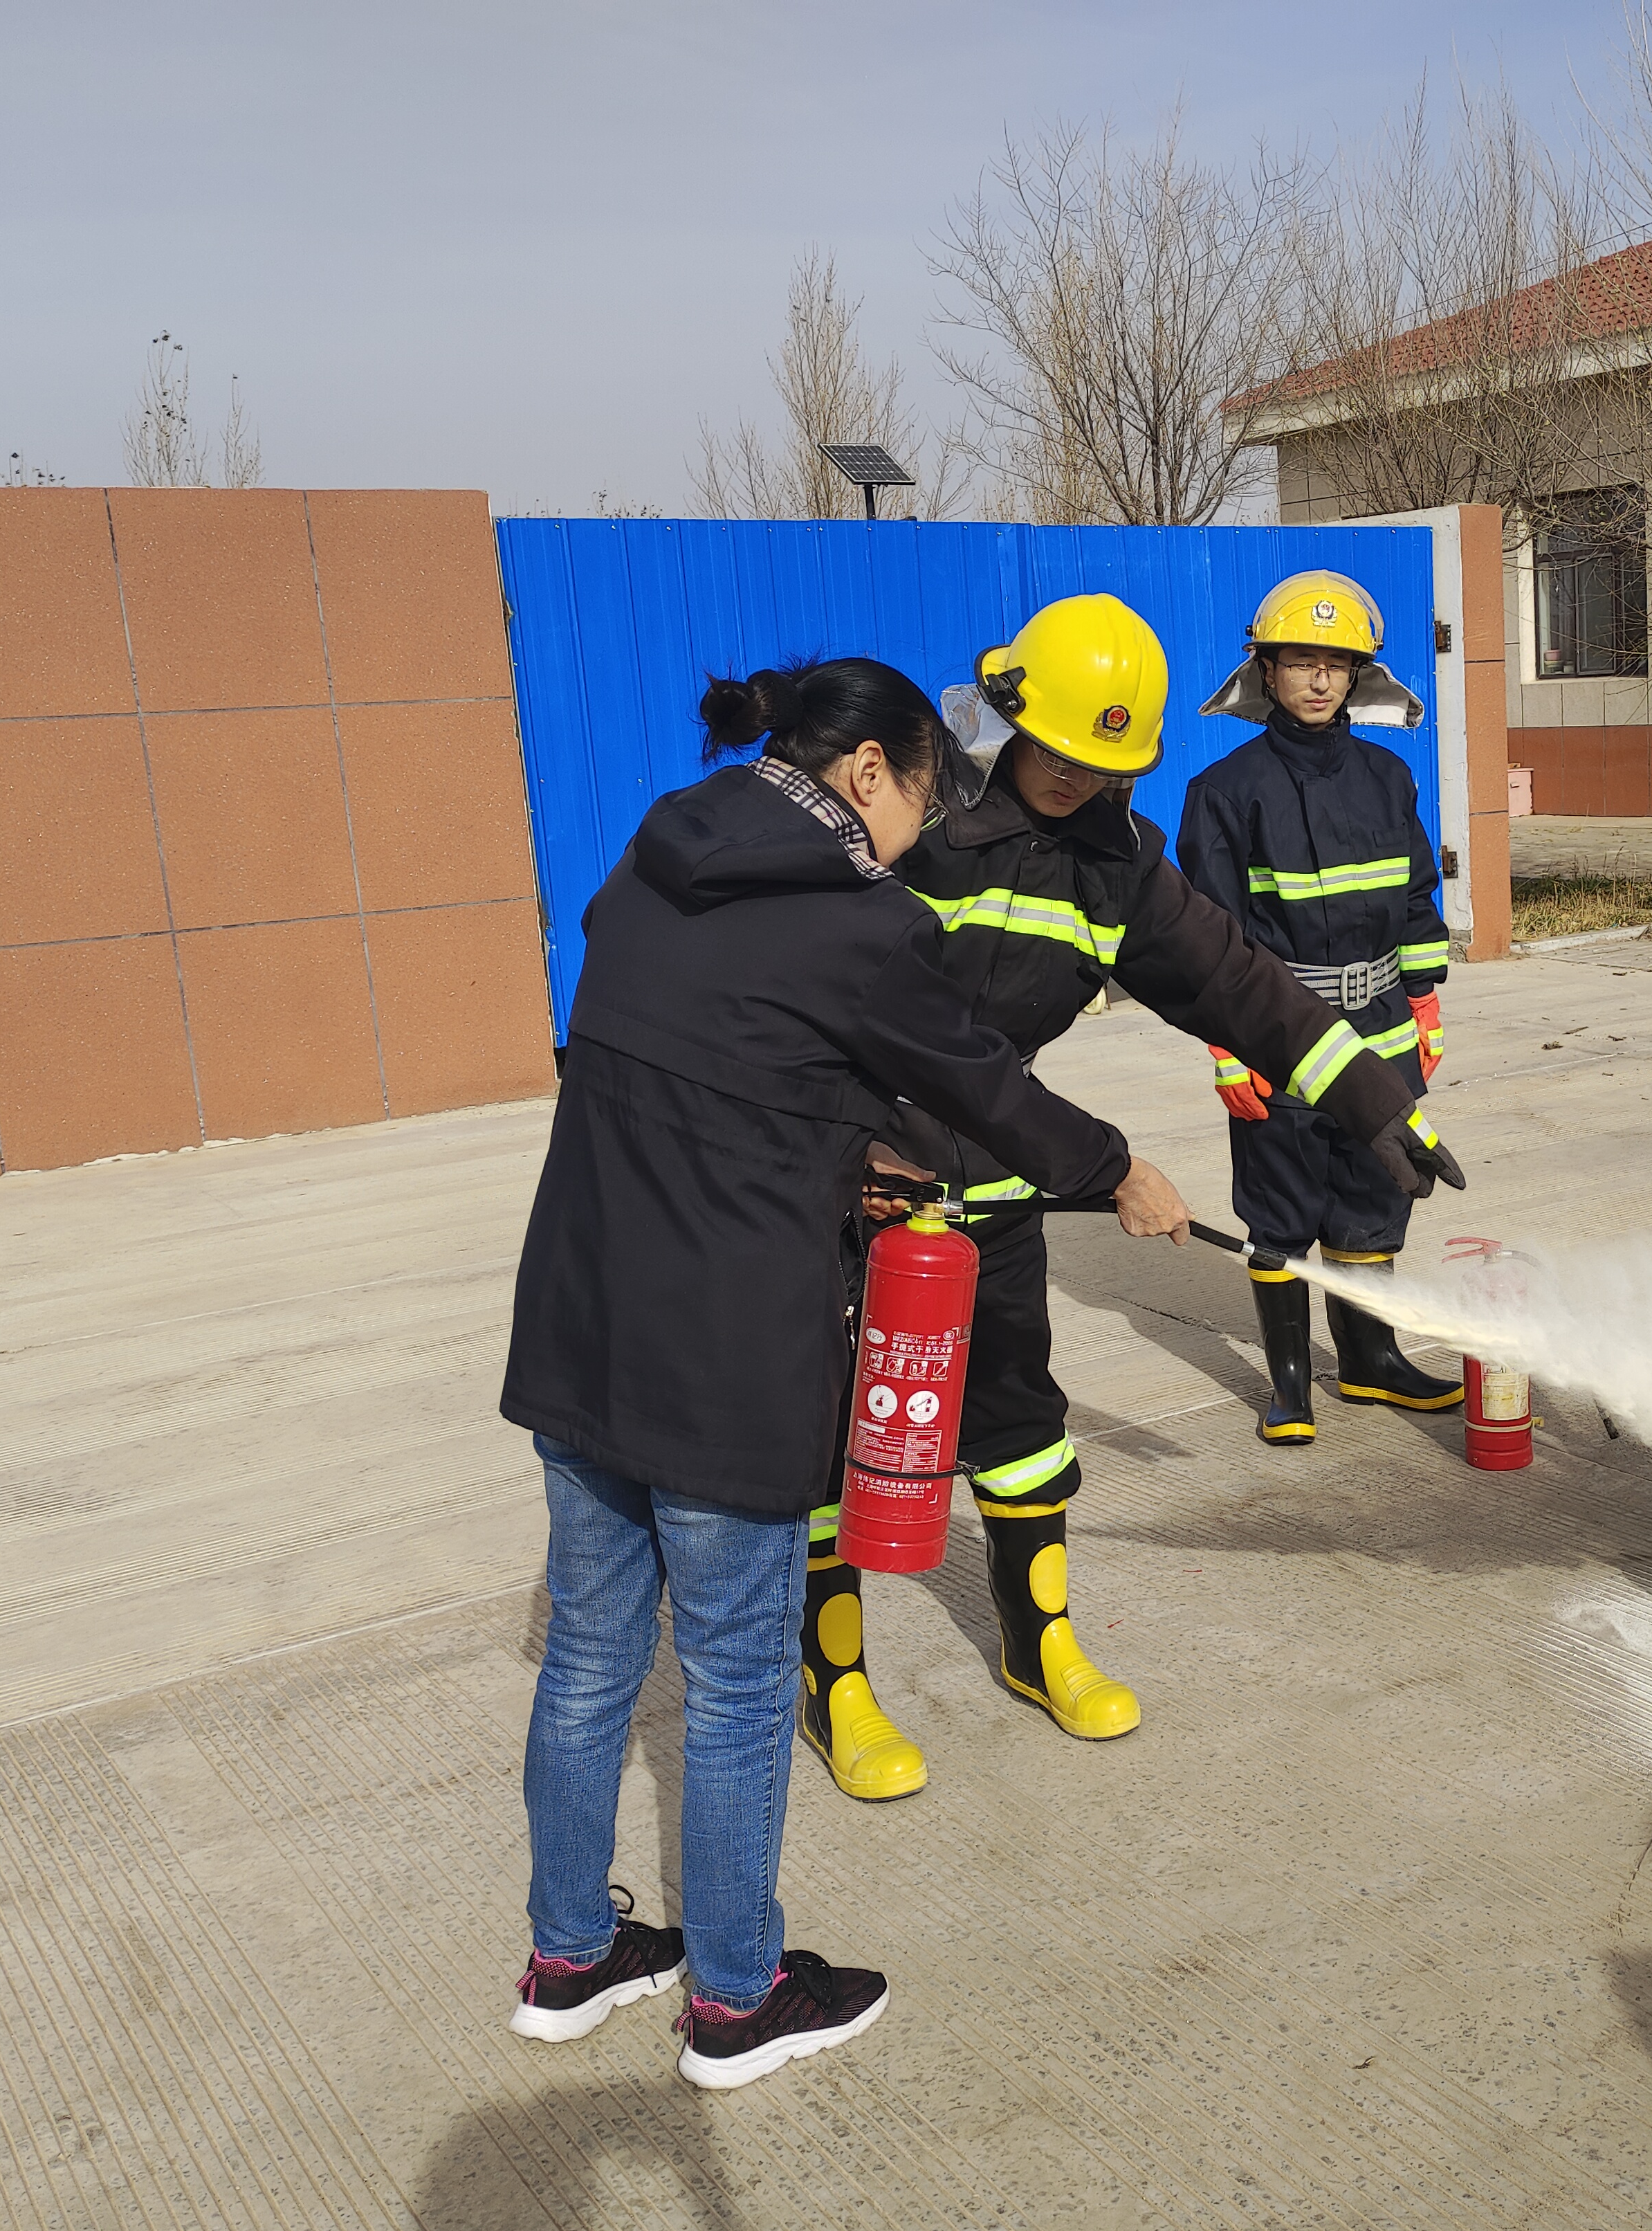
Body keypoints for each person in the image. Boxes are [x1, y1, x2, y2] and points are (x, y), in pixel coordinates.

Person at [497, 656, 1193, 2088]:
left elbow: (714, 1063)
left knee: (586, 1665)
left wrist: (836, 1147)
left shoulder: (651, 858)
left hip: (580, 1323)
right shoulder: (855, 921)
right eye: (918, 805)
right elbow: (979, 1087)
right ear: (869, 771)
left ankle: (569, 1960)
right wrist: (1118, 1169)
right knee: (742, 1684)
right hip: (723, 1363)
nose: (914, 841)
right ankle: (738, 1999)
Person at [793, 592, 1462, 1804]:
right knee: (837, 1437)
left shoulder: (1120, 865)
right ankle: (830, 1675)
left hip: (993, 1190)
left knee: (1016, 1424)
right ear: (1010, 719)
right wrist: (868, 1153)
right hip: (848, 1192)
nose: (1078, 783)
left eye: (1108, 765)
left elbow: (1241, 987)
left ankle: (1033, 1635)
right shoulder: (917, 831)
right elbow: (817, 1008)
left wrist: (1375, 1104)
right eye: (1061, 755)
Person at [1177, 570, 1462, 1444]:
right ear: (1265, 671)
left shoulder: (1388, 776)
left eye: (1336, 663)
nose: (1320, 679)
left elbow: (1417, 895)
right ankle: (1291, 1386)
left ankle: (1371, 1364)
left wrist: (1425, 1001)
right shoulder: (1225, 789)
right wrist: (1229, 1050)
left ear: (1357, 673)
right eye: (1301, 660)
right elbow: (1209, 937)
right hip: (1280, 1033)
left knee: (1376, 1196)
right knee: (1282, 1208)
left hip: (1380, 1028)